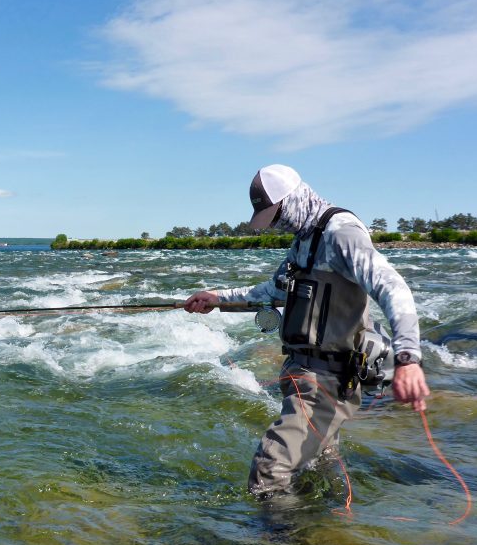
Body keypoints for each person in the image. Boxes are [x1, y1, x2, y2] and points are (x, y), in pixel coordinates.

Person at [184, 164, 429, 497]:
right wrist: (217, 299)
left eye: (277, 215)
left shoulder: (342, 235)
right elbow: (273, 291)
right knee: (318, 467)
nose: (275, 224)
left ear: (296, 199)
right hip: (304, 375)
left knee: (269, 467)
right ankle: (326, 535)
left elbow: (392, 287)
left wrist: (407, 358)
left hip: (328, 380)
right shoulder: (304, 241)